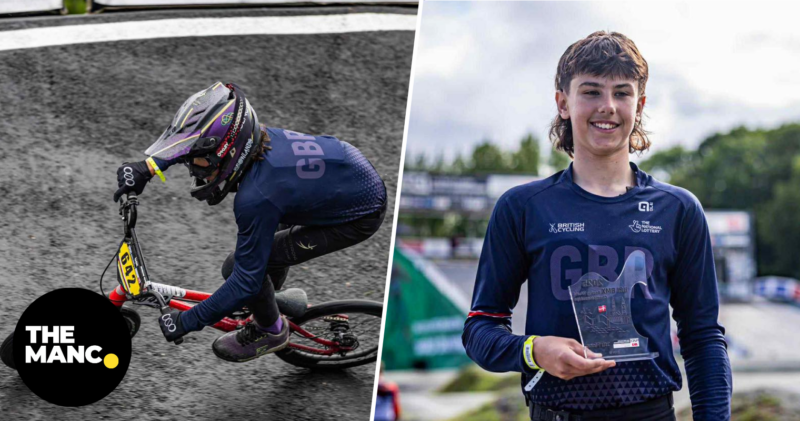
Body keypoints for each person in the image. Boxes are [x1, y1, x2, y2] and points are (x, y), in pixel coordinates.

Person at [462, 32, 731, 420]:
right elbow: (479, 329)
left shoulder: (678, 209)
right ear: (563, 103)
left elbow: (703, 335)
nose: (608, 106)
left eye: (621, 93)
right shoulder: (523, 207)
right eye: (591, 92)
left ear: (639, 105)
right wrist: (533, 351)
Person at [114, 82, 387, 362]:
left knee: (238, 269)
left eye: (198, 162)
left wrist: (187, 321)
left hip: (358, 215)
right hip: (336, 176)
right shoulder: (251, 139)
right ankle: (267, 299)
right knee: (257, 268)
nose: (192, 168)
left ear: (227, 153)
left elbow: (244, 280)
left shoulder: (256, 199)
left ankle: (271, 330)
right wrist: (148, 168)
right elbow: (192, 140)